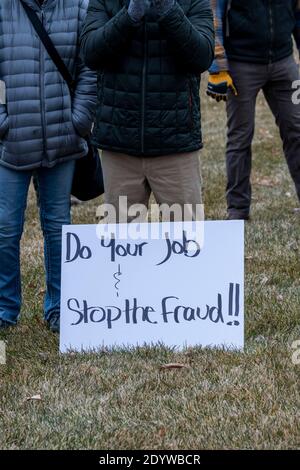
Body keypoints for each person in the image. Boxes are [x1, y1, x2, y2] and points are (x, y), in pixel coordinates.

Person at [0, 0, 97, 332]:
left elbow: (90, 67)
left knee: (58, 228)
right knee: (5, 229)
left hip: (62, 139)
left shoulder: (79, 6)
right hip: (12, 144)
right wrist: (2, 122)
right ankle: (5, 309)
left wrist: (79, 120)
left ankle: (60, 307)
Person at [80, 0, 214, 222]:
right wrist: (130, 15)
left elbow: (202, 56)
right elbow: (91, 53)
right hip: (120, 145)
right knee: (123, 243)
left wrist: (168, 9)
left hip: (175, 143)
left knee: (185, 241)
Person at [207, 0, 300, 220]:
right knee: (240, 137)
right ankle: (237, 210)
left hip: (284, 63)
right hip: (241, 65)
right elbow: (214, 15)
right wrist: (218, 67)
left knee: (297, 129)